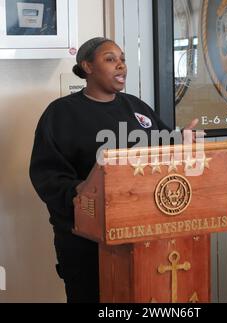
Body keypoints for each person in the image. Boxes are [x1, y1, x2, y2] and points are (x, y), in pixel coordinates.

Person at [29, 37, 199, 303]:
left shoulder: (137, 108)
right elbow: (46, 175)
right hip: (87, 244)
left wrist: (182, 143)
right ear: (87, 66)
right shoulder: (61, 113)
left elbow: (162, 154)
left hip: (143, 235)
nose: (121, 65)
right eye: (110, 59)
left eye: (122, 59)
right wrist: (81, 191)